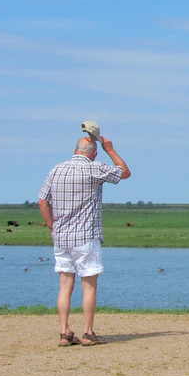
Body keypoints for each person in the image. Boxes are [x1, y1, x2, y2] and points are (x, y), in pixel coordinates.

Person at [37, 128, 130, 347]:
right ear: (94, 153)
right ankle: (88, 333)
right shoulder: (94, 168)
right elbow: (124, 172)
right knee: (89, 286)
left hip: (61, 237)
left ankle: (64, 332)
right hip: (86, 236)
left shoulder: (56, 169)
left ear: (75, 151)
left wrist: (52, 226)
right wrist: (111, 149)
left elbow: (42, 201)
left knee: (64, 285)